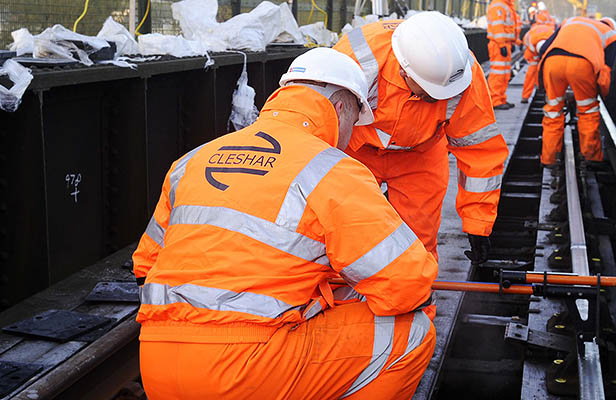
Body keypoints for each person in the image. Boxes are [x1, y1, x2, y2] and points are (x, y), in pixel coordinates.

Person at [133, 47, 438, 399]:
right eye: (354, 124)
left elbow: (145, 268)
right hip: (243, 372)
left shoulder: (191, 160)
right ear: (340, 109)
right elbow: (407, 285)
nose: (351, 138)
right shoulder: (332, 170)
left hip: (156, 362)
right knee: (412, 333)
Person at [333, 12, 508, 265]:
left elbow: (480, 151)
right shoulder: (356, 59)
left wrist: (478, 224)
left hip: (421, 155)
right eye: (428, 93)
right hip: (355, 150)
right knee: (343, 232)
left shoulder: (461, 74)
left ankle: (416, 303)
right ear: (403, 71)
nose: (436, 99)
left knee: (418, 245)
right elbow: (322, 124)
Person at [537, 16, 616, 166]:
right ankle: (590, 156)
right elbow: (605, 72)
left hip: (553, 62)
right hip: (582, 65)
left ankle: (549, 159)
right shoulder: (611, 35)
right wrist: (602, 93)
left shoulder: (570, 21)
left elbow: (543, 49)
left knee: (553, 111)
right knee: (588, 110)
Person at [486, 0, 518, 110]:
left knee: (504, 74)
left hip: (504, 43)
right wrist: (501, 44)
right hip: (498, 44)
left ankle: (501, 98)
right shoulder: (498, 6)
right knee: (498, 74)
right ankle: (495, 100)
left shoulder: (505, 5)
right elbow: (497, 27)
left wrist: (511, 42)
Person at [520, 23, 555, 103]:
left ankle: (546, 92)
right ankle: (525, 96)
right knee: (531, 73)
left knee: (549, 72)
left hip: (546, 51)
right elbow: (526, 44)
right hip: (532, 54)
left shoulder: (552, 38)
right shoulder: (530, 42)